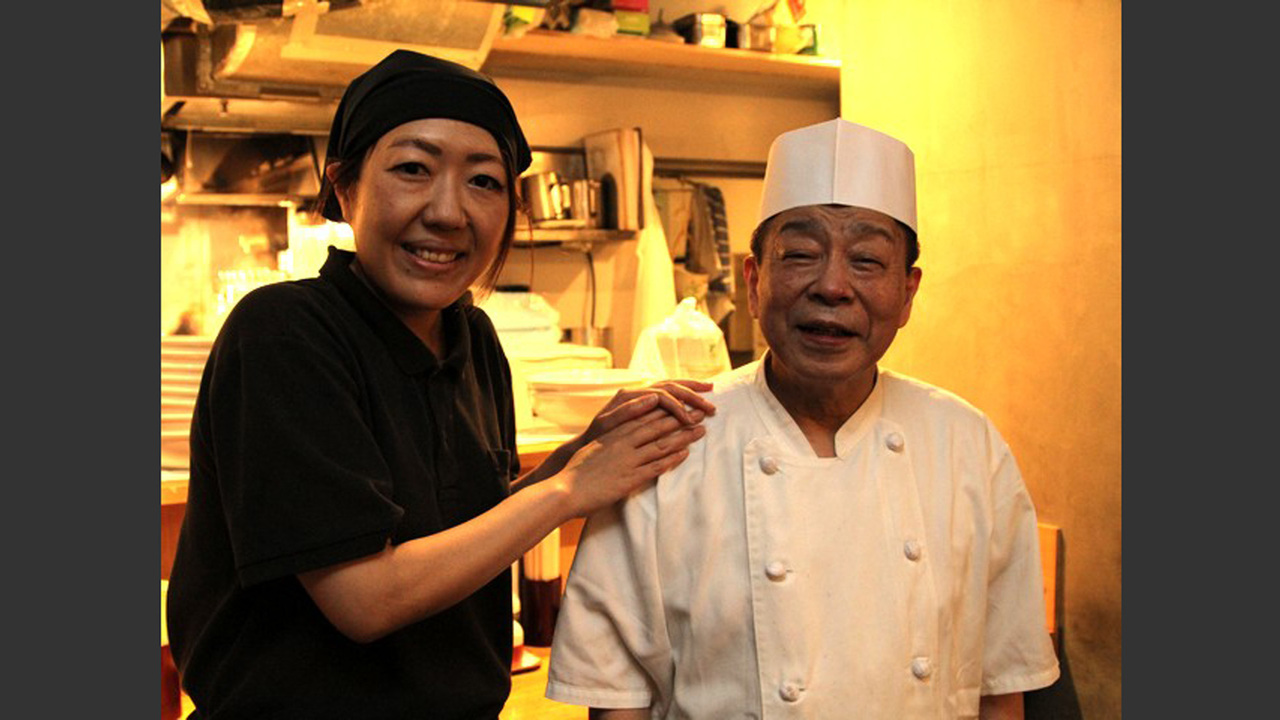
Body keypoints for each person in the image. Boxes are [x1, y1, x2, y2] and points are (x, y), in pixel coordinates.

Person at [165, 49, 714, 719]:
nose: (449, 212)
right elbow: (366, 599)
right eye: (412, 169)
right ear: (344, 188)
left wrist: (583, 452)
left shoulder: (473, 338)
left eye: (484, 181)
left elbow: (463, 526)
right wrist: (569, 491)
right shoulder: (286, 332)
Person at [544, 118, 1061, 719]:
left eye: (867, 260)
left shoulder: (968, 446)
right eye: (801, 254)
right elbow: (616, 700)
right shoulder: (669, 444)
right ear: (754, 279)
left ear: (908, 293)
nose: (833, 285)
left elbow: (1003, 689)